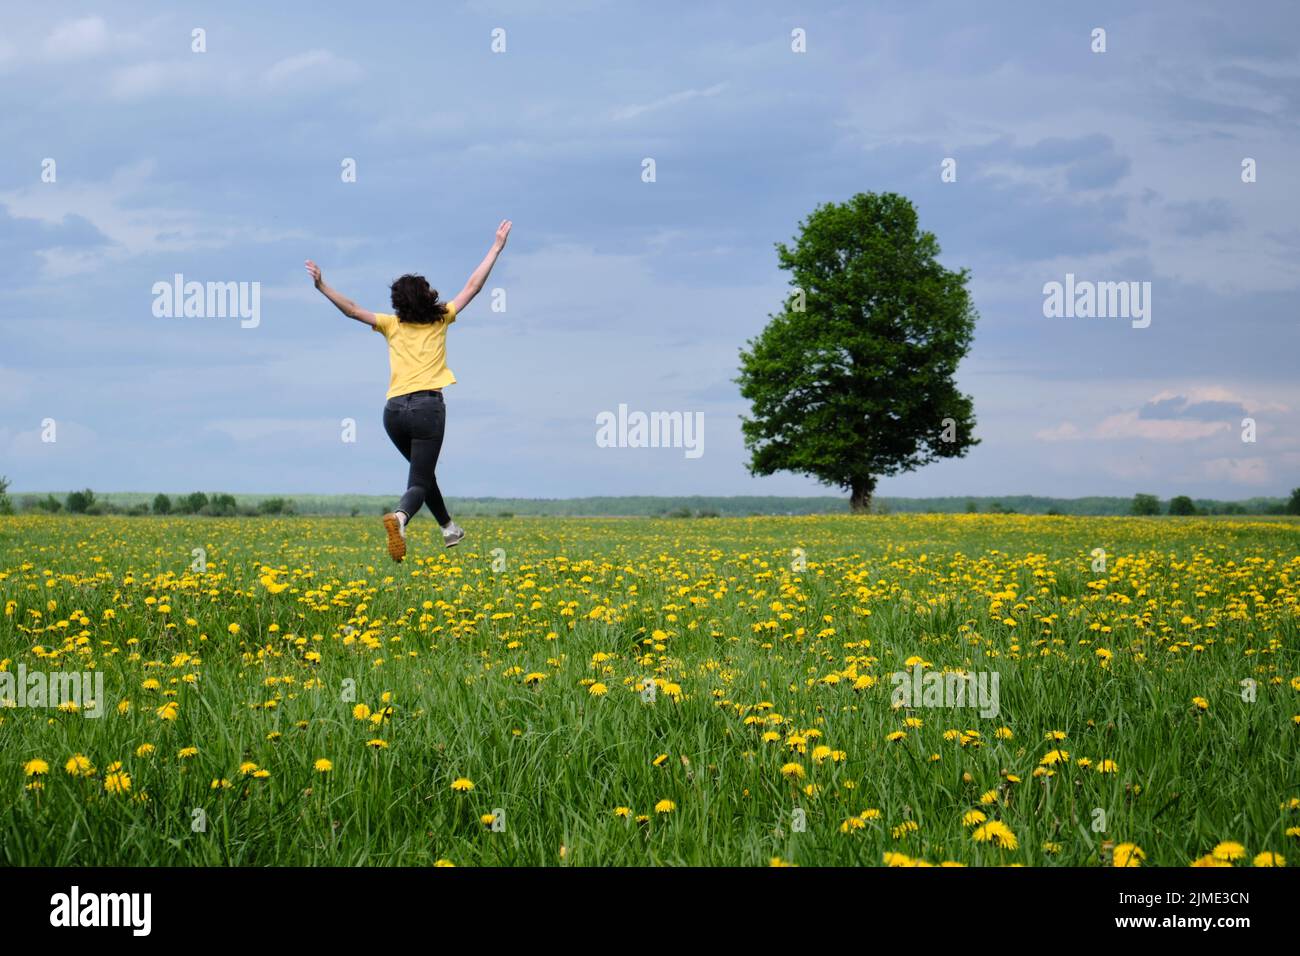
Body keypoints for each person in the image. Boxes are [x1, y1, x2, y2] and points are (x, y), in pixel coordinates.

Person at [305, 219, 512, 561]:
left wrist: (323, 286)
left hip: (393, 412)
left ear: (399, 303)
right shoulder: (442, 317)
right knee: (417, 481)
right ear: (427, 296)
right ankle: (400, 518)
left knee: (423, 473)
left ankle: (448, 527)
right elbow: (473, 286)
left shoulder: (390, 324)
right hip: (427, 410)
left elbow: (352, 310)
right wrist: (495, 247)